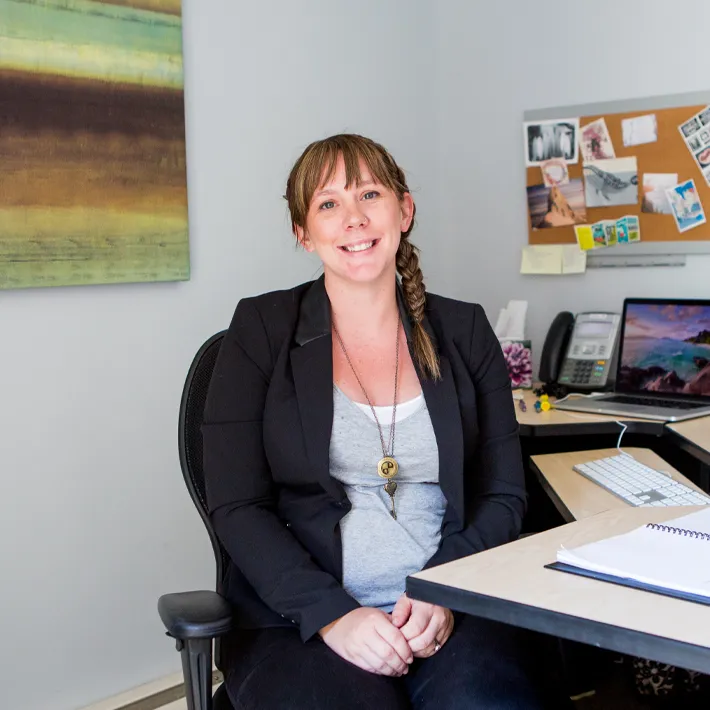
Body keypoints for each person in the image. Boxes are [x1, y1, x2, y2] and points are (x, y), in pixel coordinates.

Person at [202, 134, 569, 709]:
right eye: (328, 204)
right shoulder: (261, 329)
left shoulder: (466, 331)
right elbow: (237, 506)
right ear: (303, 233)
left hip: (448, 609)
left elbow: (503, 494)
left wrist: (443, 588)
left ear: (404, 209)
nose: (353, 219)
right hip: (301, 620)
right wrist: (332, 617)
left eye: (369, 194)